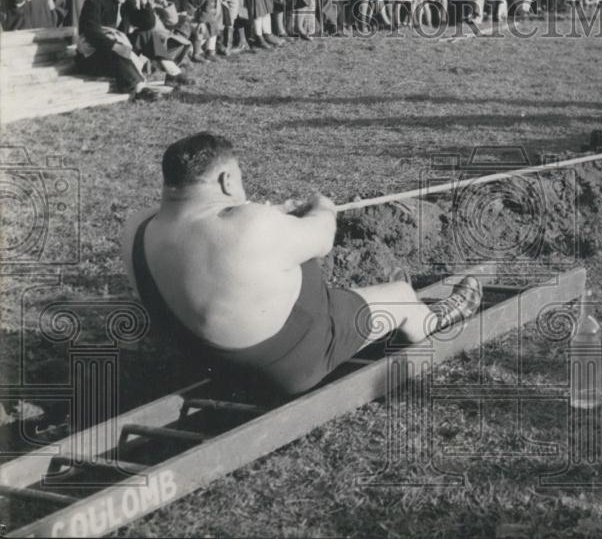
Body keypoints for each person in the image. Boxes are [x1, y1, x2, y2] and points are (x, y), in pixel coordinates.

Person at [120, 132, 483, 397]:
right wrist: (322, 205)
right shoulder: (253, 225)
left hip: (209, 364)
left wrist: (267, 216)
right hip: (289, 367)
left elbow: (206, 238)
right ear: (226, 180)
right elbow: (322, 238)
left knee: (290, 284)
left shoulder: (136, 229)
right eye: (240, 180)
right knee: (402, 296)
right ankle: (433, 322)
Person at [76, 0, 170, 99]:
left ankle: (172, 73)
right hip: (94, 57)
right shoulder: (95, 2)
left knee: (148, 35)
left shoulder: (128, 4)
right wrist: (116, 46)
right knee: (116, 49)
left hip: (120, 54)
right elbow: (92, 33)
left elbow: (148, 24)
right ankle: (139, 89)